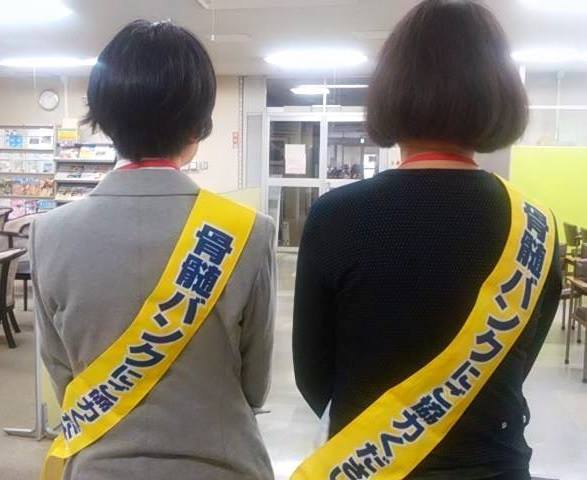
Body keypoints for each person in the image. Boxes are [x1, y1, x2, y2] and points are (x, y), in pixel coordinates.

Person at [292, 1, 561, 479]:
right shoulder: (537, 225)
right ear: (497, 94)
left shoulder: (335, 215)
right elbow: (517, 358)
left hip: (369, 463)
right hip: (492, 464)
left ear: (392, 92)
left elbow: (313, 374)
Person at [32, 20, 275, 480]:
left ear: (104, 119)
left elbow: (63, 376)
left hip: (99, 467)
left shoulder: (47, 233)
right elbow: (255, 384)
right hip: (223, 464)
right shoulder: (248, 232)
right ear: (199, 124)